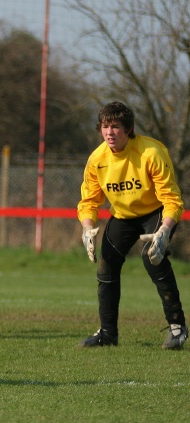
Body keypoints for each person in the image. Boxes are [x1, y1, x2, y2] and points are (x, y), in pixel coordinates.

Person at [78, 101, 187, 350]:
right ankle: (107, 334)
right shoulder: (97, 159)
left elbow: (172, 199)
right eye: (105, 127)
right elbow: (89, 201)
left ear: (128, 129)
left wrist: (165, 230)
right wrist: (87, 228)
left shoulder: (151, 152)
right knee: (106, 263)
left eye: (115, 127)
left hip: (156, 212)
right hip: (123, 215)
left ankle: (177, 327)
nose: (109, 133)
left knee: (153, 259)